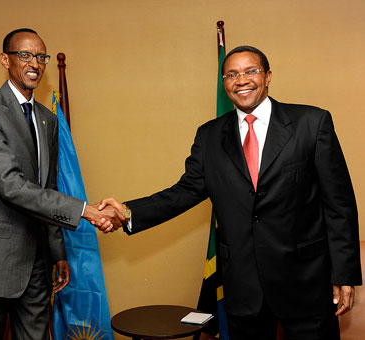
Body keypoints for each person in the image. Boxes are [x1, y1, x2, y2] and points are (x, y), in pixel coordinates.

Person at [96, 46, 362, 340]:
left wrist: (344, 273)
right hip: (243, 287)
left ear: (268, 76)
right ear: (224, 83)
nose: (241, 80)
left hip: (306, 282)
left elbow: (339, 204)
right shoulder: (209, 135)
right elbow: (185, 192)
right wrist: (128, 212)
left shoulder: (312, 123)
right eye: (232, 74)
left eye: (251, 71)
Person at [0, 28, 125, 340]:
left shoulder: (48, 118)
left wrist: (57, 252)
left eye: (41, 56)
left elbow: (48, 187)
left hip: (37, 262)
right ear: (5, 59)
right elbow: (11, 186)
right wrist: (86, 211)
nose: (35, 63)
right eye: (25, 55)